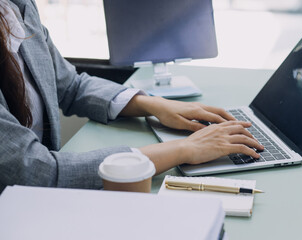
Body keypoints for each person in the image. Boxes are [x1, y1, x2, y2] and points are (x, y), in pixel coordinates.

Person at [0, 0, 263, 193]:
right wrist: (184, 149)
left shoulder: (19, 7)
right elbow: (40, 172)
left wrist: (154, 105)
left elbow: (70, 86)